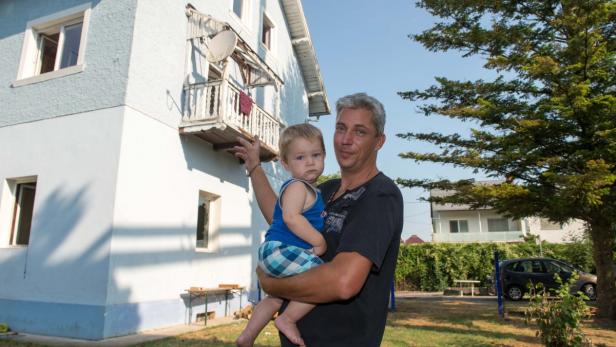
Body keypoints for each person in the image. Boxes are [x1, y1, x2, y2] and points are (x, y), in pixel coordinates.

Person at [234, 93, 404, 346]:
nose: (346, 140)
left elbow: (343, 282)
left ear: (379, 141)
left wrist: (272, 283)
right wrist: (255, 168)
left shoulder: (379, 196)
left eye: (359, 132)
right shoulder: (324, 190)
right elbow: (282, 218)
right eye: (340, 128)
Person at [236, 123, 328, 347]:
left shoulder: (310, 189)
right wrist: (319, 241)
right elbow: (291, 218)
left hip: (272, 253)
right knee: (322, 278)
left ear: (325, 156)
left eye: (316, 155)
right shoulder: (298, 187)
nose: (310, 162)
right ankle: (287, 319)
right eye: (300, 157)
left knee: (276, 298)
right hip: (282, 251)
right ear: (285, 164)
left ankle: (247, 336)